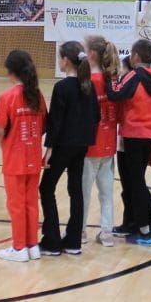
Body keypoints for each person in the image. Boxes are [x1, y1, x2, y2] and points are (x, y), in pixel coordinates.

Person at [38, 41, 99, 257]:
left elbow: (56, 123)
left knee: (46, 188)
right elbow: (96, 117)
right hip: (81, 146)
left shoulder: (62, 88)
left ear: (65, 60)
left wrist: (49, 150)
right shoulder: (88, 87)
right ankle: (73, 241)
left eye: (59, 58)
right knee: (76, 191)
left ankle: (52, 241)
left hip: (63, 146)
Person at [105, 39, 151, 247]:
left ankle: (145, 229)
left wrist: (109, 77)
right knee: (137, 181)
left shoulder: (135, 76)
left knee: (136, 184)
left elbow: (115, 94)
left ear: (136, 57)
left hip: (133, 133)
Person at [0, 50, 47, 262]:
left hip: (14, 159)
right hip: (34, 157)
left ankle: (19, 248)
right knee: (31, 203)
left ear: (10, 72)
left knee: (16, 205)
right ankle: (32, 245)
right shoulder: (38, 95)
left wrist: (7, 147)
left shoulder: (7, 97)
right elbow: (43, 126)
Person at [83, 35, 119, 247]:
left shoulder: (90, 82)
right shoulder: (113, 81)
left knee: (84, 192)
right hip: (109, 144)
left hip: (90, 146)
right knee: (106, 193)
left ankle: (80, 232)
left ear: (92, 54)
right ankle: (107, 233)